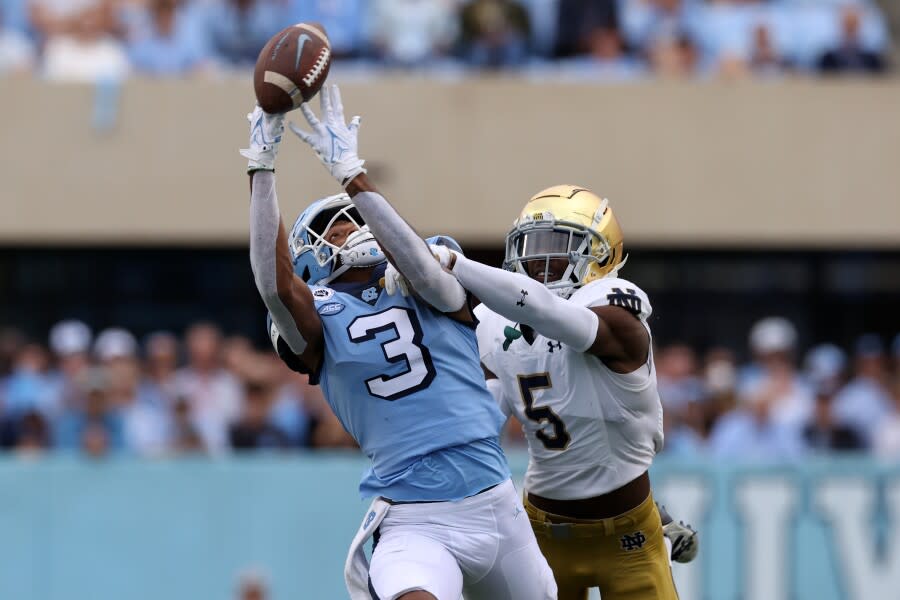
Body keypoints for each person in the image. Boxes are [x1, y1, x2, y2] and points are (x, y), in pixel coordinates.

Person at [240, 87, 556, 600]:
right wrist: (262, 164)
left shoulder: (423, 272)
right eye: (336, 228)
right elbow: (274, 286)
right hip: (414, 518)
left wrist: (352, 175)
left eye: (355, 217)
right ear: (310, 259)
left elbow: (429, 273)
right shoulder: (317, 315)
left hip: (496, 502)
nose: (352, 228)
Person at [382, 187, 698, 595]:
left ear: (602, 254)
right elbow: (478, 421)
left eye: (559, 247)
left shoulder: (616, 309)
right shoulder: (495, 323)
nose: (539, 260)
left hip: (628, 535)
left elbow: (549, 314)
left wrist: (455, 265)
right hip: (540, 531)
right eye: (532, 245)